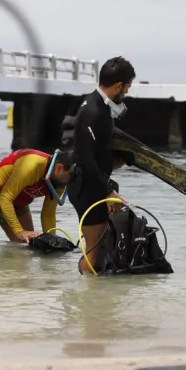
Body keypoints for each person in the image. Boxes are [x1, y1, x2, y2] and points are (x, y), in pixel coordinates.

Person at [67, 56, 136, 273]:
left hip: (93, 185)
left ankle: (93, 300)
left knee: (101, 249)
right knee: (94, 254)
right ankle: (85, 301)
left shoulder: (101, 107)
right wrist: (109, 192)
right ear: (118, 85)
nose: (126, 93)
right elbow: (85, 158)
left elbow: (99, 150)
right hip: (86, 186)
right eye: (127, 88)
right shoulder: (92, 111)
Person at [0, 149, 73, 244]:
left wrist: (52, 241)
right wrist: (19, 231)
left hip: (18, 206)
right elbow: (5, 198)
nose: (72, 182)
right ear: (59, 168)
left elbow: (48, 214)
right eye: (72, 176)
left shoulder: (60, 182)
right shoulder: (31, 165)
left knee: (26, 252)